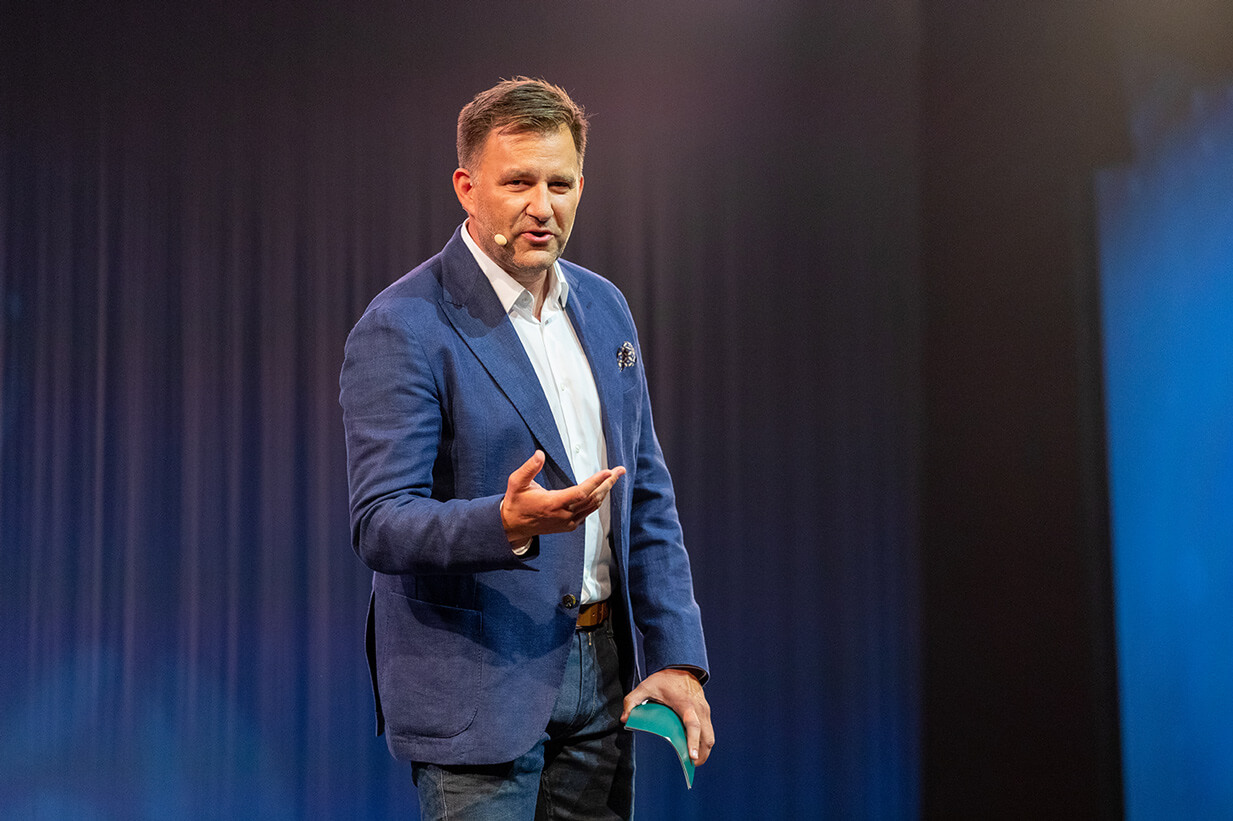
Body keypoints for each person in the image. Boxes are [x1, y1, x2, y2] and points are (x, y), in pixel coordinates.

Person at [339, 77, 712, 820]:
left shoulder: (604, 307)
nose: (542, 205)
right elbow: (380, 522)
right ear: (466, 187)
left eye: (560, 182)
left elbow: (647, 499)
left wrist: (675, 656)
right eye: (518, 182)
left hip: (603, 681)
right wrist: (504, 523)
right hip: (478, 691)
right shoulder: (403, 325)